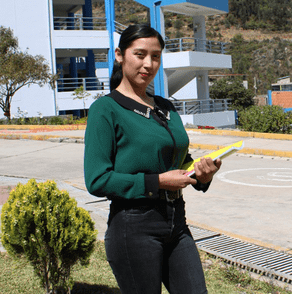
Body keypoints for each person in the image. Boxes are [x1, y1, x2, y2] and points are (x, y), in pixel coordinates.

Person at [84, 24, 221, 294]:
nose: (148, 64)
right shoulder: (106, 109)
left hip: (176, 222)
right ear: (120, 55)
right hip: (133, 226)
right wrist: (157, 182)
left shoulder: (166, 107)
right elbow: (97, 179)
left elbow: (179, 160)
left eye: (155, 56)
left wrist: (200, 175)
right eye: (140, 54)